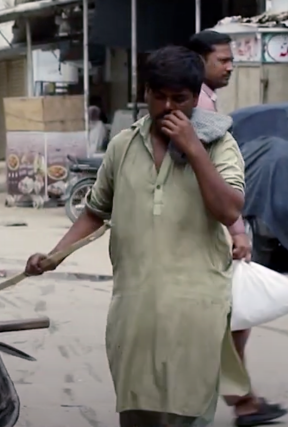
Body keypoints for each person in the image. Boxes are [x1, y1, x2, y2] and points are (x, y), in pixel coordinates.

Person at [26, 46, 251, 427]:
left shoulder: (219, 145)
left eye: (178, 98)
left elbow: (229, 210)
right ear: (144, 92)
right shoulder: (123, 145)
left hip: (196, 312)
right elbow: (96, 211)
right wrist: (54, 256)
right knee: (138, 413)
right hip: (134, 312)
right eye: (157, 96)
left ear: (196, 97)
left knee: (188, 412)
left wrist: (193, 150)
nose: (166, 107)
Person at [188, 29, 286, 426]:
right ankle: (233, 399)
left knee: (234, 318)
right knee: (229, 317)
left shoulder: (208, 101)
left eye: (231, 59)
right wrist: (236, 229)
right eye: (222, 60)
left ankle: (240, 398)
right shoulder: (194, 104)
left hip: (221, 227)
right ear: (200, 63)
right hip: (205, 232)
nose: (231, 66)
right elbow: (206, 177)